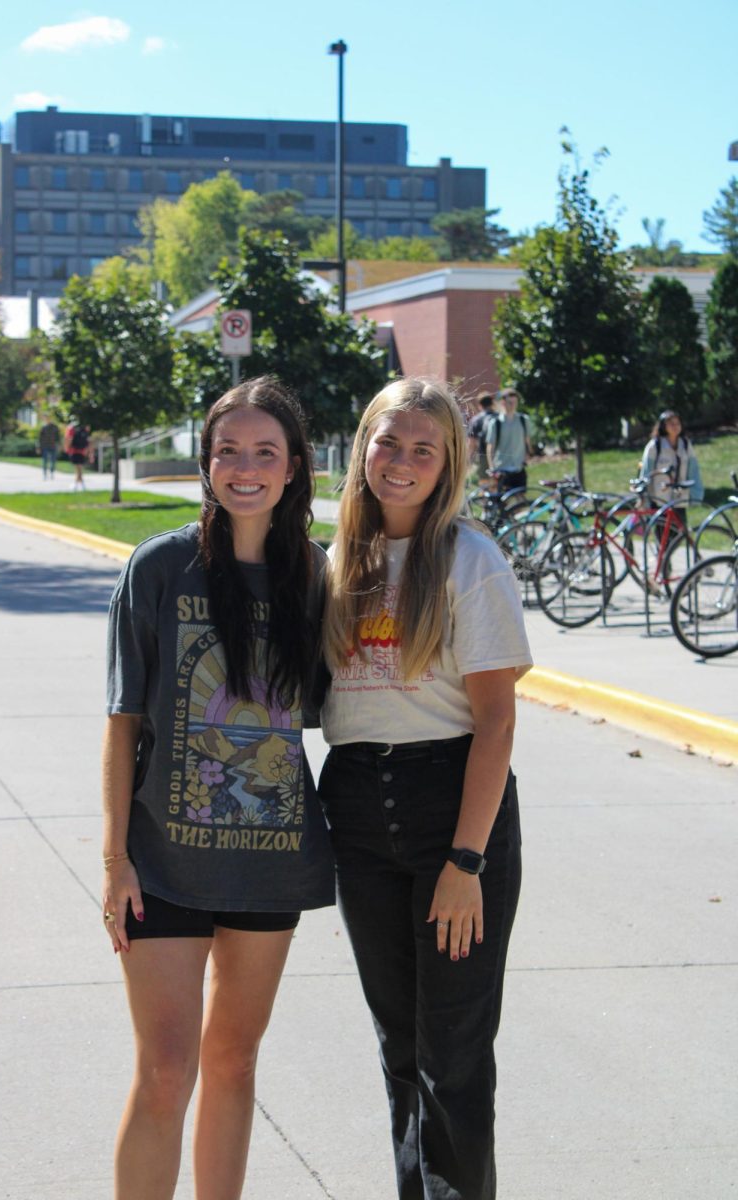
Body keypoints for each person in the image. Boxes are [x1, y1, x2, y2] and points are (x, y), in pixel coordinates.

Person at [102, 376, 334, 1200]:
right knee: (167, 1070)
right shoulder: (161, 566)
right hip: (162, 865)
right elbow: (124, 718)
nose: (245, 466)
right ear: (206, 464)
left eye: (264, 452)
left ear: (294, 467)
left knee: (233, 1062)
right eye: (227, 450)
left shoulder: (316, 574)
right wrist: (113, 861)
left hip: (270, 863)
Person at [320, 377, 532, 1200]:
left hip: (453, 804)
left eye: (422, 449)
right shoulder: (339, 560)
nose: (401, 462)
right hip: (358, 809)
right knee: (399, 1047)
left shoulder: (470, 559)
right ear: (361, 446)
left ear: (448, 464)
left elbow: (498, 726)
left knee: (452, 1055)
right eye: (388, 442)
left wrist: (466, 861)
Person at [639, 410, 703, 510]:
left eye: (677, 423)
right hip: (660, 497)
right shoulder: (655, 446)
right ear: (664, 426)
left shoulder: (685, 444)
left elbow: (693, 470)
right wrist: (645, 496)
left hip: (680, 496)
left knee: (680, 524)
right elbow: (646, 472)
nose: (675, 427)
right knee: (663, 524)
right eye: (671, 424)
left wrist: (696, 493)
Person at [486, 387, 532, 494]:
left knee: (520, 501)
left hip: (518, 468)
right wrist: (491, 467)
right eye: (509, 402)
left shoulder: (523, 420)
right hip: (502, 468)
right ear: (502, 402)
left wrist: (528, 455)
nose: (512, 405)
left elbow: (527, 441)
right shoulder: (495, 423)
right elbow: (490, 446)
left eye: (514, 402)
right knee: (503, 502)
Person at [467, 390, 496, 481]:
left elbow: (472, 443)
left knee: (484, 482)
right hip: (501, 455)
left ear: (480, 405)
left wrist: (469, 459)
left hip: (483, 455)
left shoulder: (476, 420)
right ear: (492, 403)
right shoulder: (499, 417)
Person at [65, 419, 90, 490]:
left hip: (74, 450)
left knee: (78, 469)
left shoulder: (71, 428)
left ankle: (78, 485)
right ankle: (81, 484)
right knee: (79, 468)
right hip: (82, 450)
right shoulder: (83, 428)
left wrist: (67, 448)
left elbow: (69, 439)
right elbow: (88, 440)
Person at [38, 415, 59, 480]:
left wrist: (59, 445)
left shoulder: (55, 427)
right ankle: (44, 474)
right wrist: (38, 447)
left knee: (53, 461)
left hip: (53, 446)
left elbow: (58, 437)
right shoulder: (43, 427)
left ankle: (52, 473)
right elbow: (40, 438)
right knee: (45, 460)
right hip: (45, 446)